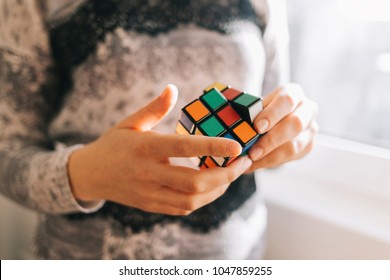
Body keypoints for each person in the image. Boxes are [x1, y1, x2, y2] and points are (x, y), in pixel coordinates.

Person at [0, 0, 318, 259]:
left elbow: (271, 119)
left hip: (238, 257)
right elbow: (6, 151)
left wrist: (293, 134)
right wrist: (85, 173)